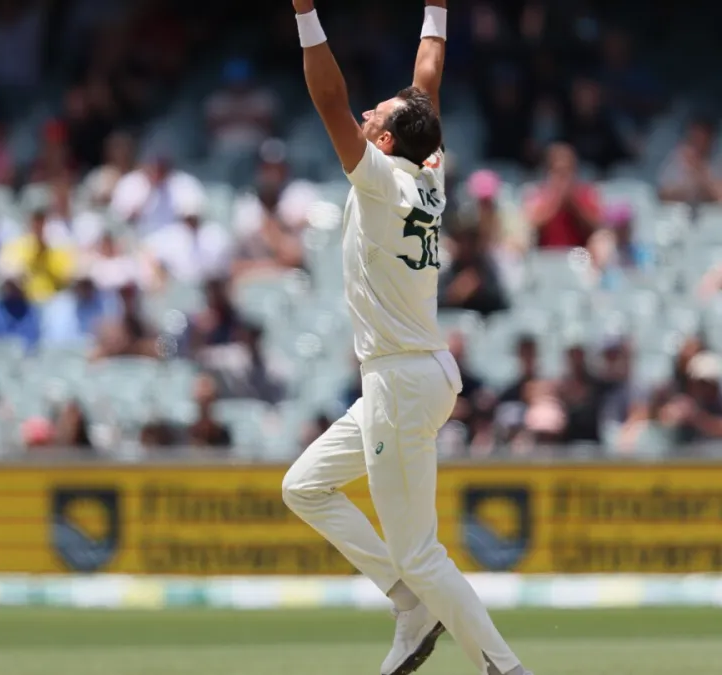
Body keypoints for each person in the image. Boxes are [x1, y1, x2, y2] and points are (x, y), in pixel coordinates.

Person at [278, 3, 530, 675]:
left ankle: (504, 668)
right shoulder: (429, 169)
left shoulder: (382, 178)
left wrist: (305, 12)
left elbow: (329, 98)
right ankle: (409, 604)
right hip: (413, 372)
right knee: (304, 486)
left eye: (377, 116)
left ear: (386, 142)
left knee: (420, 552)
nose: (366, 114)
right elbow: (428, 77)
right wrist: (436, 7)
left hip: (399, 378)